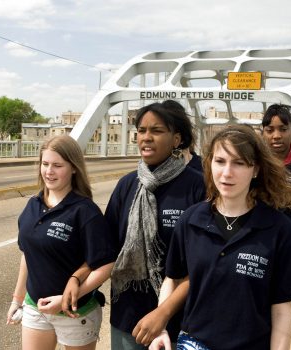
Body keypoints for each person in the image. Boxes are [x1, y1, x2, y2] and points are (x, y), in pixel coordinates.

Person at [147, 124, 291, 349]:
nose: (226, 173)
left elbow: (281, 307)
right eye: (220, 161)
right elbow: (173, 278)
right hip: (194, 343)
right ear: (209, 164)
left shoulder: (278, 229)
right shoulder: (190, 221)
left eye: (239, 163)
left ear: (256, 170)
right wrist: (161, 327)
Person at [105, 101, 206, 349]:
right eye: (141, 130)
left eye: (157, 131)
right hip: (129, 316)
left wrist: (163, 313)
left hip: (180, 320)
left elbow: (204, 262)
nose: (146, 138)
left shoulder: (197, 186)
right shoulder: (127, 185)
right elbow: (106, 247)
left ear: (176, 139)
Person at [6, 135, 115, 350]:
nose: (49, 171)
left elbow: (105, 265)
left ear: (73, 168)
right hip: (35, 307)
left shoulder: (85, 211)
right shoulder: (32, 205)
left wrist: (66, 298)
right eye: (45, 164)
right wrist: (17, 299)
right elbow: (28, 255)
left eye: (57, 165)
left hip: (75, 313)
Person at [262, 103, 291, 174]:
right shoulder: (256, 161)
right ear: (263, 133)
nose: (276, 136)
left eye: (283, 129)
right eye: (270, 130)